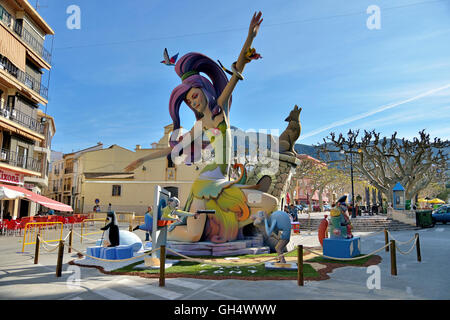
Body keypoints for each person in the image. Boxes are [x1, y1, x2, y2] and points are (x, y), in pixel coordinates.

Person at [125, 12, 278, 243]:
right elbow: (174, 150)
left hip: (225, 183)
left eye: (194, 96)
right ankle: (160, 233)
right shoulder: (199, 126)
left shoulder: (220, 110)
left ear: (204, 90)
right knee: (193, 235)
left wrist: (250, 38)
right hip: (206, 184)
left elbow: (235, 75)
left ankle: (231, 230)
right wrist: (142, 160)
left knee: (270, 203)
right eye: (189, 101)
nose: (193, 102)